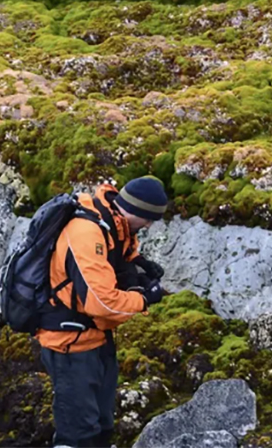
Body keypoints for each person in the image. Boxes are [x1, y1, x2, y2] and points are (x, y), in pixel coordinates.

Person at [36, 177, 169, 448]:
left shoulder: (114, 225)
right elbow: (101, 302)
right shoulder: (87, 232)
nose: (149, 225)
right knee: (78, 432)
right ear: (137, 210)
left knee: (102, 425)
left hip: (97, 337)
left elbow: (119, 259)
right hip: (70, 344)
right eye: (148, 219)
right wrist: (143, 299)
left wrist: (137, 268)